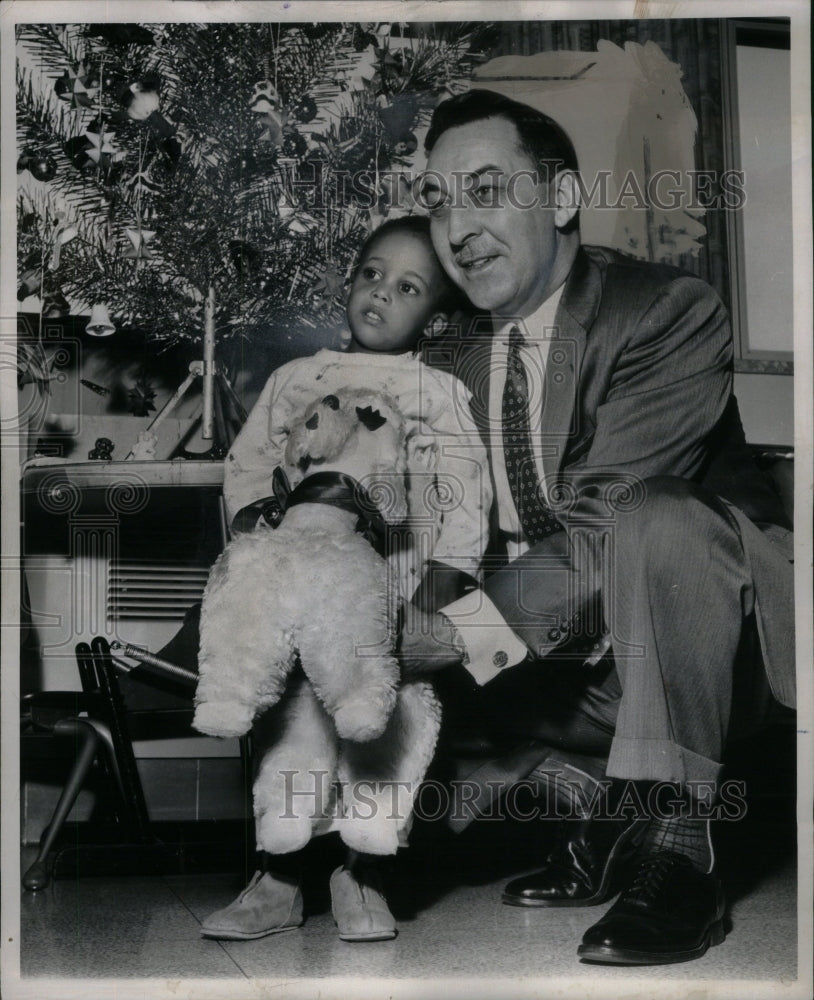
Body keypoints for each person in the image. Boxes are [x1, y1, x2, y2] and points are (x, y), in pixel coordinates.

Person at [398, 89, 795, 966]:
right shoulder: (442, 360)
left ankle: (683, 852)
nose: (458, 225)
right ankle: (606, 803)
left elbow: (596, 529)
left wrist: (443, 635)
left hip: (724, 658)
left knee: (652, 518)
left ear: (564, 200)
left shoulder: (662, 310)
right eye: (437, 201)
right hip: (576, 675)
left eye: (487, 189)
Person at [198, 214, 492, 943]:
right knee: (291, 722)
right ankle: (281, 874)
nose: (380, 294)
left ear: (438, 313)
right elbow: (246, 466)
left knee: (382, 724)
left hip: (389, 585)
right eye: (370, 275)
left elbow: (464, 489)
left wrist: (445, 585)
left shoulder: (438, 393)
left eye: (408, 287)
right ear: (347, 281)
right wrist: (254, 546)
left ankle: (364, 871)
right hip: (299, 583)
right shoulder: (298, 379)